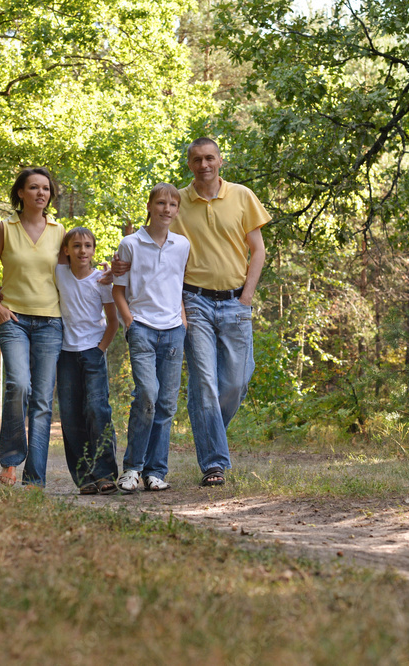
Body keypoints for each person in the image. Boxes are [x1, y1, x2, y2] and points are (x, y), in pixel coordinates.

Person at [113, 138, 270, 486]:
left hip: (236, 302)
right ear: (189, 164)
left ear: (220, 160)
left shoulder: (242, 196)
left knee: (237, 381)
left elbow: (257, 250)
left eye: (210, 158)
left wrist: (246, 297)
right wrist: (119, 265)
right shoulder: (178, 201)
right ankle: (214, 464)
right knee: (205, 384)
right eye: (197, 159)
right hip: (194, 302)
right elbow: (152, 242)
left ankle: (207, 429)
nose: (204, 165)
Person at [0, 167, 65, 488]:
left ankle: (35, 478)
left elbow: (69, 276)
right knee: (19, 385)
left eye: (46, 189)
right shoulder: (5, 228)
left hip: (50, 322)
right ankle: (11, 461)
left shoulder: (59, 230)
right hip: (14, 321)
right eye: (34, 188)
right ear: (20, 193)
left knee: (42, 399)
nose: (41, 194)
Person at [112, 183, 190, 493]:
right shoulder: (130, 243)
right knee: (147, 394)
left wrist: (182, 323)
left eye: (172, 205)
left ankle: (155, 472)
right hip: (142, 327)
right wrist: (129, 322)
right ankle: (132, 469)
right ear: (149, 206)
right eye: (160, 203)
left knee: (167, 403)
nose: (166, 209)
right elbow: (118, 291)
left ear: (177, 210)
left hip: (173, 332)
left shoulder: (182, 245)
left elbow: (179, 287)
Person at [55, 227, 120, 495]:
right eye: (77, 246)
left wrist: (100, 349)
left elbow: (113, 321)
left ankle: (105, 473)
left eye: (88, 246)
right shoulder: (59, 273)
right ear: (67, 250)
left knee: (97, 410)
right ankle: (84, 477)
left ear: (94, 250)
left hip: (93, 352)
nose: (83, 251)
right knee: (71, 416)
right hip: (65, 354)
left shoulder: (102, 281)